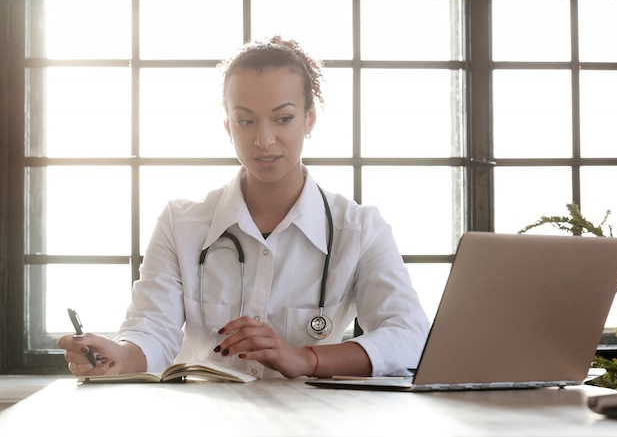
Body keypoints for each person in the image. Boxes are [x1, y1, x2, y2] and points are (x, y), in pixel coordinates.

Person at [58, 36, 430, 379]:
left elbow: (410, 335)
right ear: (227, 125)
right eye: (245, 120)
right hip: (205, 420)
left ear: (309, 119)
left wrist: (305, 359)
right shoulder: (180, 224)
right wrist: (121, 357)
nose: (263, 139)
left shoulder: (360, 229)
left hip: (311, 422)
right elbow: (152, 329)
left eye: (283, 118)